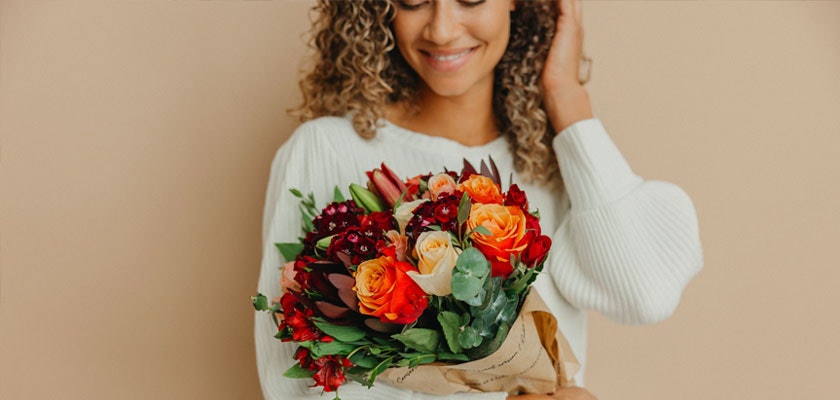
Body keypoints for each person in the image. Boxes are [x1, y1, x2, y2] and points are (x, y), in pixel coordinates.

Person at [255, 0, 703, 399]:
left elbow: (646, 295)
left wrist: (566, 97)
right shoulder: (327, 149)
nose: (442, 29)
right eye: (414, 1)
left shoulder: (556, 164)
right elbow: (295, 383)